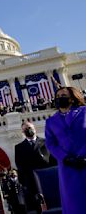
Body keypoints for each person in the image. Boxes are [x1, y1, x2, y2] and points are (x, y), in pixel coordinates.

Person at [45, 86, 86, 214]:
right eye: (57, 97)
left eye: (63, 95)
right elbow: (51, 144)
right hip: (68, 167)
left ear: (72, 98)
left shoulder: (84, 112)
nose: (59, 98)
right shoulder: (51, 121)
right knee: (74, 202)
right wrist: (65, 157)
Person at [15, 121, 56, 213]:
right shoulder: (19, 147)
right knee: (37, 208)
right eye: (26, 129)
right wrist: (24, 183)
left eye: (30, 127)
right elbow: (20, 166)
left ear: (35, 129)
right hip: (32, 183)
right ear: (22, 132)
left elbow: (53, 160)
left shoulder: (46, 142)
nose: (28, 130)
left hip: (48, 178)